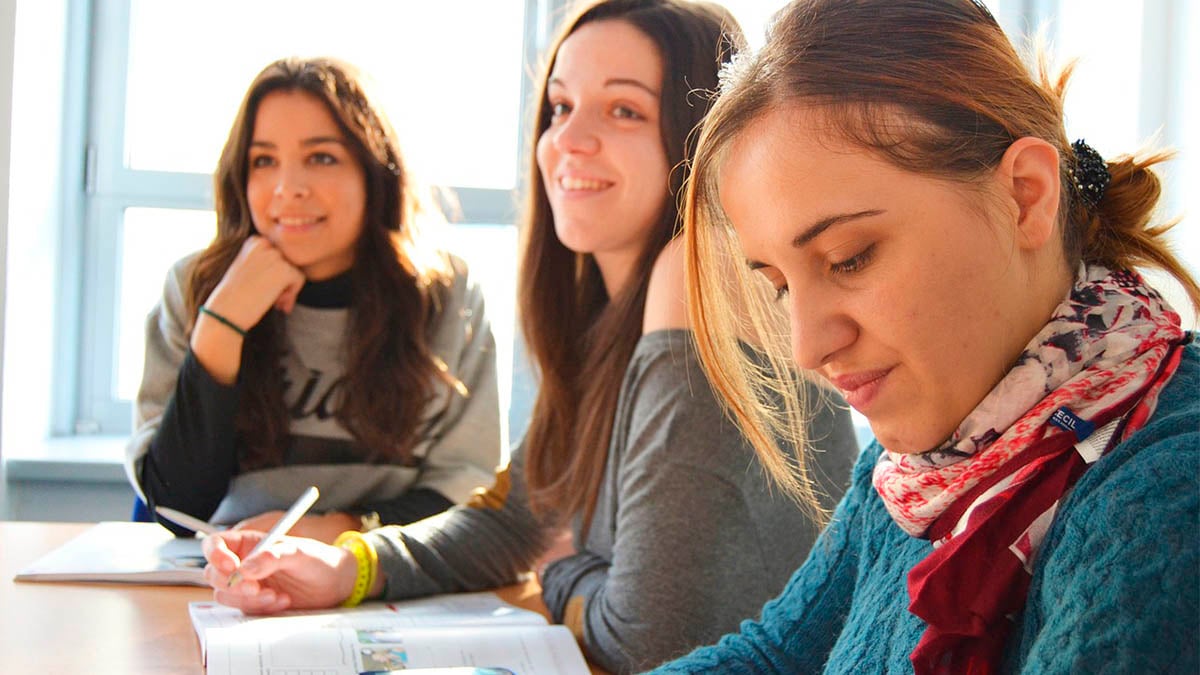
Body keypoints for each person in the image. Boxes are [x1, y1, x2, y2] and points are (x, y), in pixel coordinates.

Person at [200, 2, 860, 673]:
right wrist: (349, 566)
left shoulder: (697, 269)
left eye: (623, 110)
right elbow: (516, 519)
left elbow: (645, 638)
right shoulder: (606, 313)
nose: (568, 140)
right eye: (560, 107)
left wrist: (563, 572)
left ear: (699, 133)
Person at [651, 0, 1199, 672]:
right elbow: (776, 655)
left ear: (1026, 195)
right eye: (781, 285)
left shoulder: (1163, 500)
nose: (807, 347)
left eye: (850, 257)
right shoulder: (920, 461)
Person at [126, 57, 502, 544]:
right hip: (222, 578)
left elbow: (467, 490)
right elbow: (176, 509)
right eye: (263, 161)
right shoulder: (195, 286)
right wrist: (220, 327)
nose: (288, 188)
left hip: (391, 578)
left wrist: (338, 531)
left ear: (375, 172)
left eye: (321, 157)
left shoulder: (447, 295)